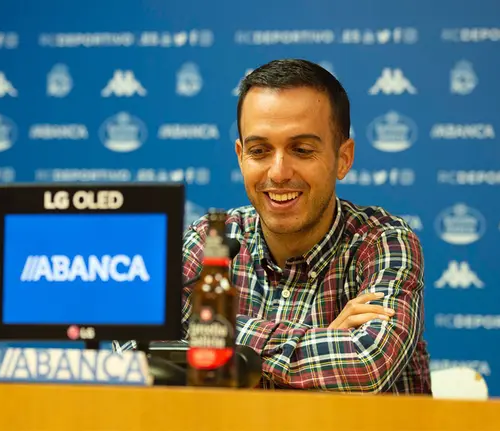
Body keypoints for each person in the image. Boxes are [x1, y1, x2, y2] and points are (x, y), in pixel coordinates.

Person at [118, 58, 432, 394]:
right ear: (241, 156)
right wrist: (325, 341)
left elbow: (366, 364)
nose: (279, 172)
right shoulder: (213, 238)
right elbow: (134, 341)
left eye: (301, 149)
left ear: (344, 158)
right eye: (260, 150)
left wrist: (208, 333)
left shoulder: (384, 242)